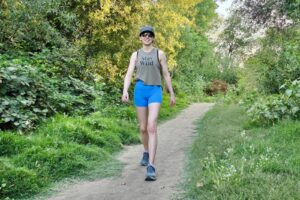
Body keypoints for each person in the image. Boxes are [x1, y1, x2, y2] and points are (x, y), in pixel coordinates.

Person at [122, 25, 175, 181]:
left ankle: (151, 166)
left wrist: (171, 93)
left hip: (155, 91)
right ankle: (145, 151)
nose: (147, 37)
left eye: (149, 35)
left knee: (152, 126)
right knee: (143, 128)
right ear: (140, 37)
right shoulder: (135, 54)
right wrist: (125, 90)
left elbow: (166, 74)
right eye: (144, 35)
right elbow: (129, 73)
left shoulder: (160, 54)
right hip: (140, 90)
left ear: (153, 37)